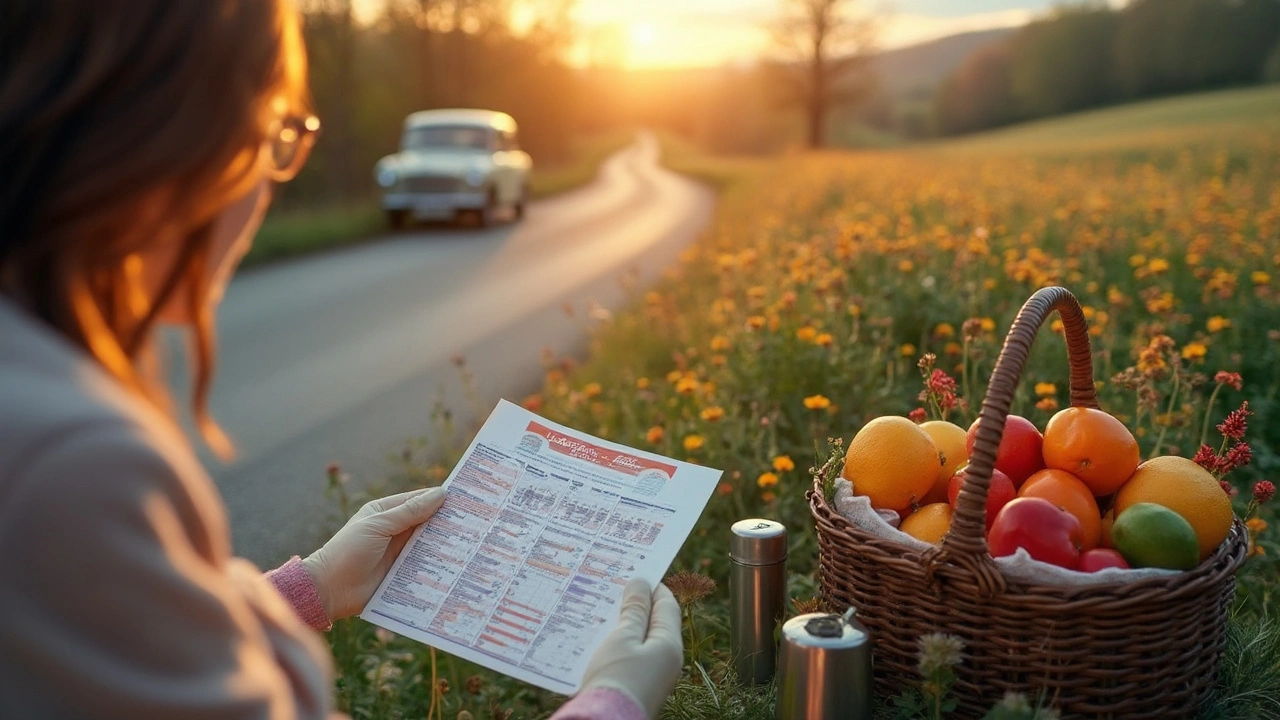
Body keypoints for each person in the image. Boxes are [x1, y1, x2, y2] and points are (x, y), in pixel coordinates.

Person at [0, 2, 683, 718]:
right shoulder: (71, 463)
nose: (273, 181)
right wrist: (613, 699)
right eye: (274, 136)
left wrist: (316, 585)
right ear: (177, 145)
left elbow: (112, 643)